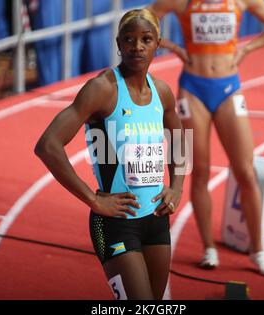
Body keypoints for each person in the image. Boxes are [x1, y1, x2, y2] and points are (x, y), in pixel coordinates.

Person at [34, 8, 185, 299]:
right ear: (118, 44)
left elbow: (178, 137)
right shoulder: (102, 89)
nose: (137, 47)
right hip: (115, 224)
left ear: (158, 43)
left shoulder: (163, 93)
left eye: (146, 39)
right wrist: (92, 199)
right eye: (128, 40)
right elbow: (48, 145)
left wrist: (177, 186)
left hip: (155, 219)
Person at [147, 0, 264, 276]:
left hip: (228, 87)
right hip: (193, 88)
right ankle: (208, 248)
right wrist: (174, 47)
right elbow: (143, 19)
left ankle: (258, 251)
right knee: (199, 171)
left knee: (246, 172)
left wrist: (247, 48)